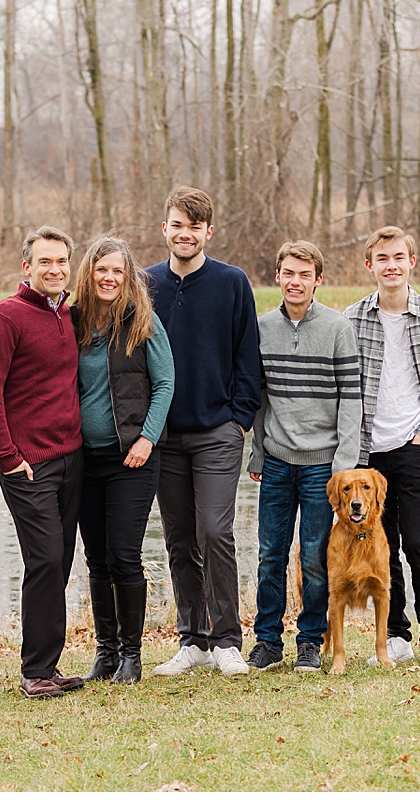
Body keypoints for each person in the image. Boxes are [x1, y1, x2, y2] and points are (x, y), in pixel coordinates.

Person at [145, 186, 262, 677]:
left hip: (218, 431)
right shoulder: (144, 283)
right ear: (165, 228)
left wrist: (239, 420)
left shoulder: (232, 283)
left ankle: (227, 640)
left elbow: (247, 358)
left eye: (194, 227)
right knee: (178, 538)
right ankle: (191, 640)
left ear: (207, 231)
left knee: (215, 531)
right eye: (177, 224)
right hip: (163, 436)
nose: (184, 233)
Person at [0, 225, 86, 699]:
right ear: (27, 267)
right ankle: (34, 670)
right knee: (43, 558)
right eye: (45, 262)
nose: (55, 269)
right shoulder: (6, 317)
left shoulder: (70, 316)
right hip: (27, 465)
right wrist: (6, 457)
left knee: (59, 562)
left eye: (61, 262)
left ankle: (48, 664)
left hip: (71, 457)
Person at [345, 225, 420, 668]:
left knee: (418, 541)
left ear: (411, 262)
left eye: (398, 257)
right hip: (368, 454)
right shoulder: (352, 319)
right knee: (381, 545)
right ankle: (395, 634)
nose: (390, 266)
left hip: (413, 446)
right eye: (382, 259)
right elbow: (343, 386)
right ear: (369, 265)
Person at [245, 240, 361, 674]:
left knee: (314, 556)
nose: (296, 281)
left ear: (318, 280)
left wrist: (344, 466)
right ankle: (267, 641)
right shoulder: (261, 328)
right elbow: (258, 399)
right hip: (276, 461)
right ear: (277, 277)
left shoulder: (337, 328)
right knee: (269, 554)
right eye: (288, 273)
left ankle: (311, 641)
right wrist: (257, 453)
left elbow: (352, 398)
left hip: (322, 467)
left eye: (304, 274)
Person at [70, 235, 175, 685]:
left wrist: (147, 438)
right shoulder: (71, 322)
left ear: (127, 276)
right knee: (96, 558)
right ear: (89, 273)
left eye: (117, 270)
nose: (109, 278)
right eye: (101, 269)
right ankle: (105, 652)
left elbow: (165, 383)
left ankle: (132, 655)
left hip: (132, 458)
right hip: (83, 460)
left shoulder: (141, 322)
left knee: (124, 555)